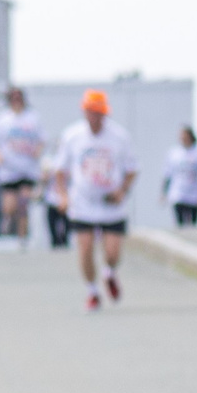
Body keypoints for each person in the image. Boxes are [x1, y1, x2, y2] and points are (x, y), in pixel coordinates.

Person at [60, 88, 139, 310]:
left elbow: (132, 169)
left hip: (110, 205)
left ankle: (109, 272)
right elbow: (60, 171)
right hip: (83, 203)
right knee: (85, 249)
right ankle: (92, 291)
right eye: (90, 112)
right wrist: (63, 196)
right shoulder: (72, 136)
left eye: (98, 113)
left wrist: (122, 190)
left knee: (112, 253)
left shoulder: (119, 137)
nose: (94, 117)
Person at [0, 87, 47, 242]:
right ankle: (8, 224)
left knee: (24, 204)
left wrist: (37, 153)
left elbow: (42, 140)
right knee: (10, 207)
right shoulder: (1, 120)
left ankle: (22, 237)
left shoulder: (33, 119)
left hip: (27, 169)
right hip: (8, 170)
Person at [163, 126, 197, 226]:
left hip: (194, 191)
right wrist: (164, 191)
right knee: (180, 221)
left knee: (194, 222)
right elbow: (168, 173)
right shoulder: (174, 153)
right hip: (178, 191)